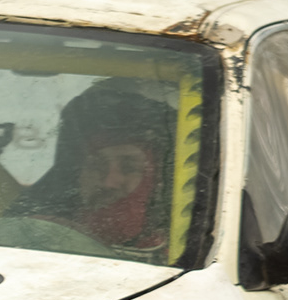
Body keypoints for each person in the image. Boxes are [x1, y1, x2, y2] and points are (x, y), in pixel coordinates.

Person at [9, 80, 175, 255]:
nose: (109, 181)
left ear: (156, 180)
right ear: (77, 174)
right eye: (97, 165)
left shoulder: (177, 257)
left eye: (129, 168)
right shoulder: (32, 235)